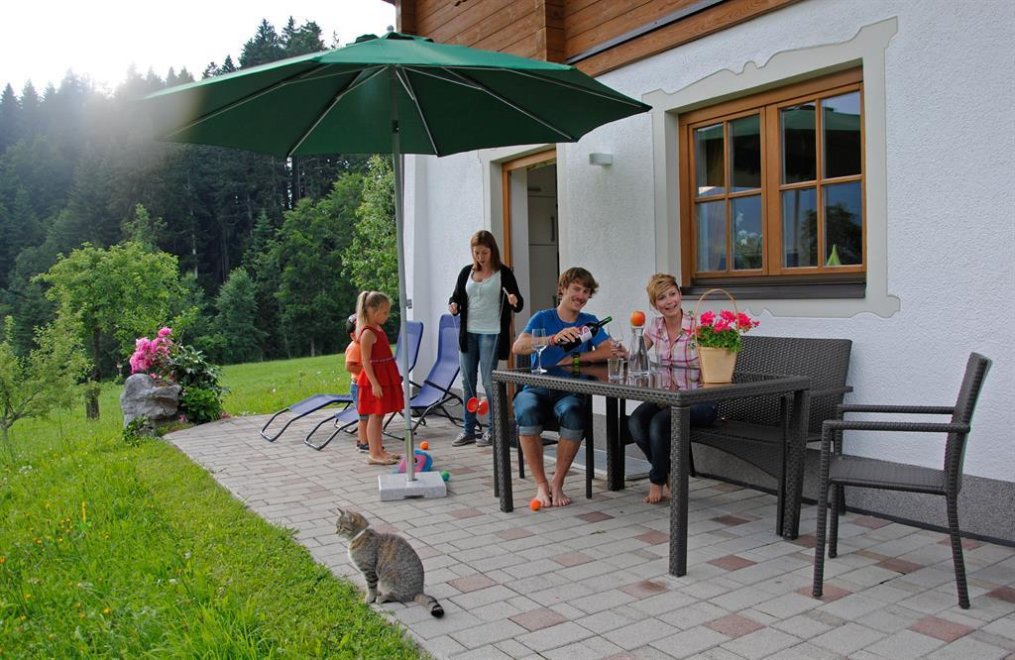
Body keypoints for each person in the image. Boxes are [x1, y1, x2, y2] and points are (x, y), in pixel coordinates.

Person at [511, 267, 619, 508]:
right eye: (576, 289)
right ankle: (541, 485)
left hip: (569, 391)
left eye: (586, 292)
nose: (581, 296)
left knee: (574, 413)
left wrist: (575, 358)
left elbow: (610, 351)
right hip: (536, 388)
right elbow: (518, 347)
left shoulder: (588, 321)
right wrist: (552, 339)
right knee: (526, 410)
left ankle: (557, 482)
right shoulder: (542, 318)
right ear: (562, 289)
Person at [628, 273, 718, 504]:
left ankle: (656, 481)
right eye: (662, 298)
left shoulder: (698, 327)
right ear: (654, 304)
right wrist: (626, 350)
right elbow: (637, 357)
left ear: (679, 294)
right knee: (636, 421)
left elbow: (715, 367)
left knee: (659, 422)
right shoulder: (655, 326)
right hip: (667, 398)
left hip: (700, 400)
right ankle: (666, 472)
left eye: (672, 294)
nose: (669, 301)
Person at [448, 230, 524, 447]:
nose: (480, 257)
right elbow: (456, 297)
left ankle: (493, 429)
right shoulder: (466, 272)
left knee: (489, 382)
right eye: (476, 253)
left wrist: (514, 300)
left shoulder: (503, 273)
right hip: (468, 333)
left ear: (492, 251)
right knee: (467, 381)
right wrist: (453, 305)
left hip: (492, 332)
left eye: (484, 252)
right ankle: (468, 429)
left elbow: (519, 304)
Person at [355, 291, 403, 466]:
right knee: (374, 416)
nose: (387, 316)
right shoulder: (367, 333)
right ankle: (373, 454)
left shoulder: (378, 328)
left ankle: (380, 450)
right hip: (374, 380)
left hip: (383, 376)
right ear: (372, 311)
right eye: (384, 312)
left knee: (380, 415)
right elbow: (366, 361)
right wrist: (375, 384)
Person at [343, 314, 370, 453]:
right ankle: (363, 443)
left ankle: (363, 440)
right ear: (353, 335)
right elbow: (349, 366)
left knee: (367, 415)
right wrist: (367, 371)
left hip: (364, 386)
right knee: (364, 416)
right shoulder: (355, 347)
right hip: (358, 387)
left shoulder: (363, 345)